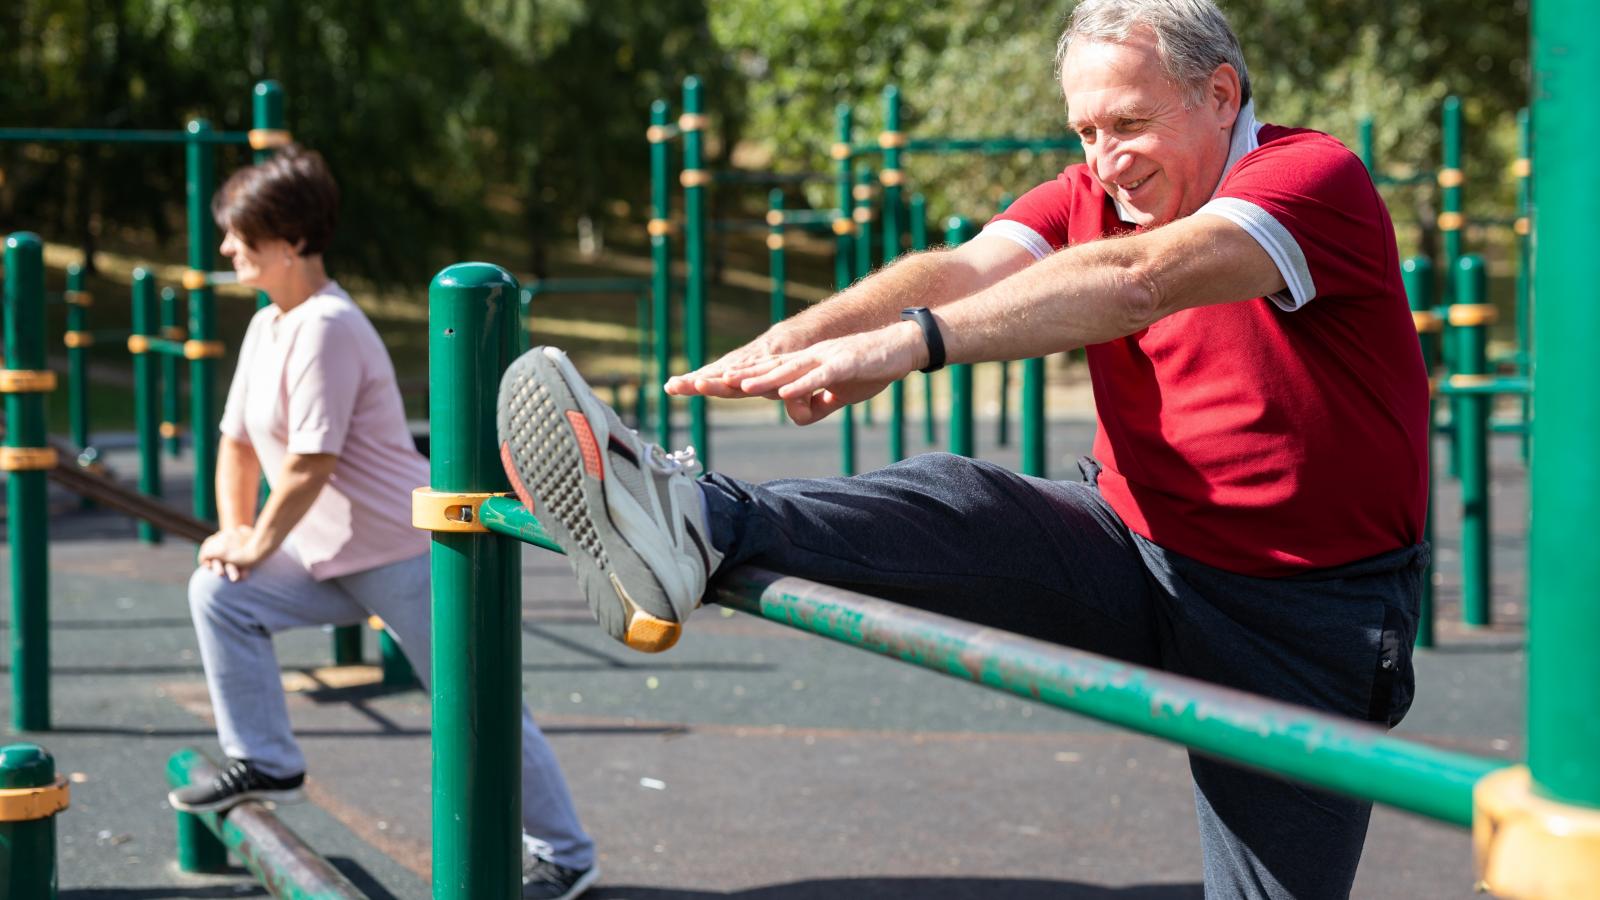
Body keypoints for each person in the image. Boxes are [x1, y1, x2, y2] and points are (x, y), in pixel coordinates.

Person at [501, 1, 1430, 896]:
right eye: (1085, 132)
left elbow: (1138, 282)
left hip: (1304, 606)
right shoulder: (1092, 192)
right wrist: (806, 335)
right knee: (953, 496)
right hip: (1134, 544)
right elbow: (958, 270)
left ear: (1221, 94)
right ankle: (694, 522)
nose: (1106, 161)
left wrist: (911, 343)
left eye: (1129, 124)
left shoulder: (1309, 180)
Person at [168, 146, 598, 900]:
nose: (227, 247)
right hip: (325, 554)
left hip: (407, 551)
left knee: (476, 704)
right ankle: (265, 756)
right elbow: (236, 443)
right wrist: (237, 538)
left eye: (240, 233)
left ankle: (565, 854)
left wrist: (256, 539)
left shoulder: (328, 325)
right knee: (221, 594)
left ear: (294, 238)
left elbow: (310, 464)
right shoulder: (269, 325)